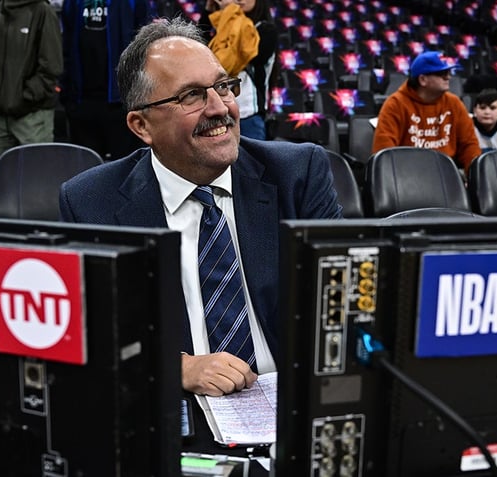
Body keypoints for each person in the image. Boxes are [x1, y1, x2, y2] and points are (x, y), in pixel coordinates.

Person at [58, 18, 341, 398]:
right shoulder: (91, 201)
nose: (219, 108)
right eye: (191, 95)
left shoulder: (298, 173)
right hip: (172, 410)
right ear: (141, 125)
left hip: (290, 402)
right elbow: (86, 335)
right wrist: (174, 367)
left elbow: (339, 308)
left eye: (223, 86)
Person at [0, 0, 63, 172]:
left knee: (35, 182)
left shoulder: (43, 12)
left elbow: (51, 67)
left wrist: (23, 97)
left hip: (33, 116)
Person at [61, 0, 151, 160]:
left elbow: (146, 48)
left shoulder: (135, 2)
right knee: (86, 176)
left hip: (122, 104)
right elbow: (65, 47)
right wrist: (69, 98)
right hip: (82, 103)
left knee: (127, 174)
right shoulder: (73, 3)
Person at [372, 50, 481, 171]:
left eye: (449, 72)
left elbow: (469, 145)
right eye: (442, 73)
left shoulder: (454, 103)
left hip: (446, 176)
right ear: (422, 79)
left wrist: (474, 178)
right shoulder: (395, 104)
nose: (448, 77)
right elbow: (384, 151)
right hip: (407, 176)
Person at [203, 0, 276, 140]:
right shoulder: (218, 29)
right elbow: (200, 49)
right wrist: (208, 10)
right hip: (215, 113)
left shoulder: (265, 30)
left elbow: (227, 63)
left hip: (248, 116)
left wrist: (230, 11)